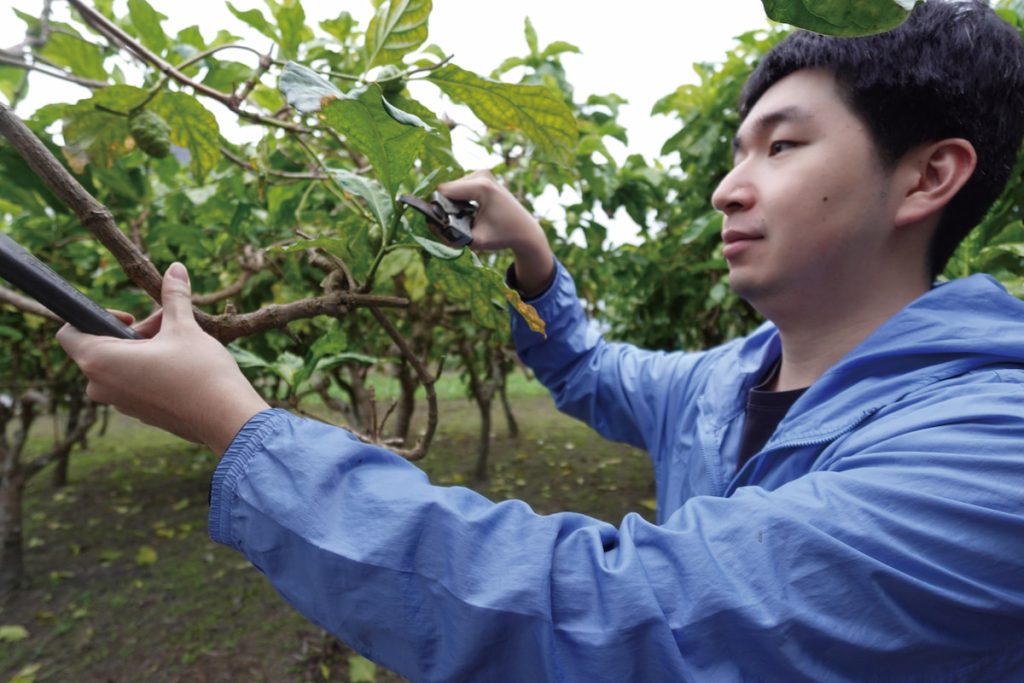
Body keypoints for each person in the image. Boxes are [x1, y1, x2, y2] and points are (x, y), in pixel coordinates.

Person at [57, 2, 1024, 681]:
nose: (728, 188)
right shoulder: (726, 383)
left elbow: (619, 621)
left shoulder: (990, 450)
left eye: (781, 146)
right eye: (736, 152)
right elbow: (594, 371)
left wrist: (240, 428)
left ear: (928, 175)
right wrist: (534, 261)